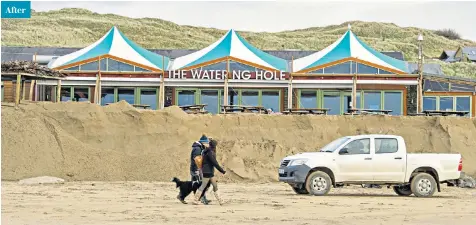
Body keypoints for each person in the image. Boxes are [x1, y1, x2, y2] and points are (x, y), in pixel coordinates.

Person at [193, 138, 226, 205]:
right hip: (208, 171)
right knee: (203, 186)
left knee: (214, 185)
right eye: (215, 145)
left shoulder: (207, 151)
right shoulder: (210, 152)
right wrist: (221, 170)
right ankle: (195, 200)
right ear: (214, 145)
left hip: (208, 171)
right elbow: (215, 163)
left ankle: (221, 201)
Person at [189, 135, 211, 204]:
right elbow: (197, 160)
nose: (208, 144)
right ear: (203, 143)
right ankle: (202, 199)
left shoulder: (198, 148)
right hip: (196, 169)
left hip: (195, 169)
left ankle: (199, 198)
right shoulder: (198, 149)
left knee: (197, 183)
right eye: (207, 143)